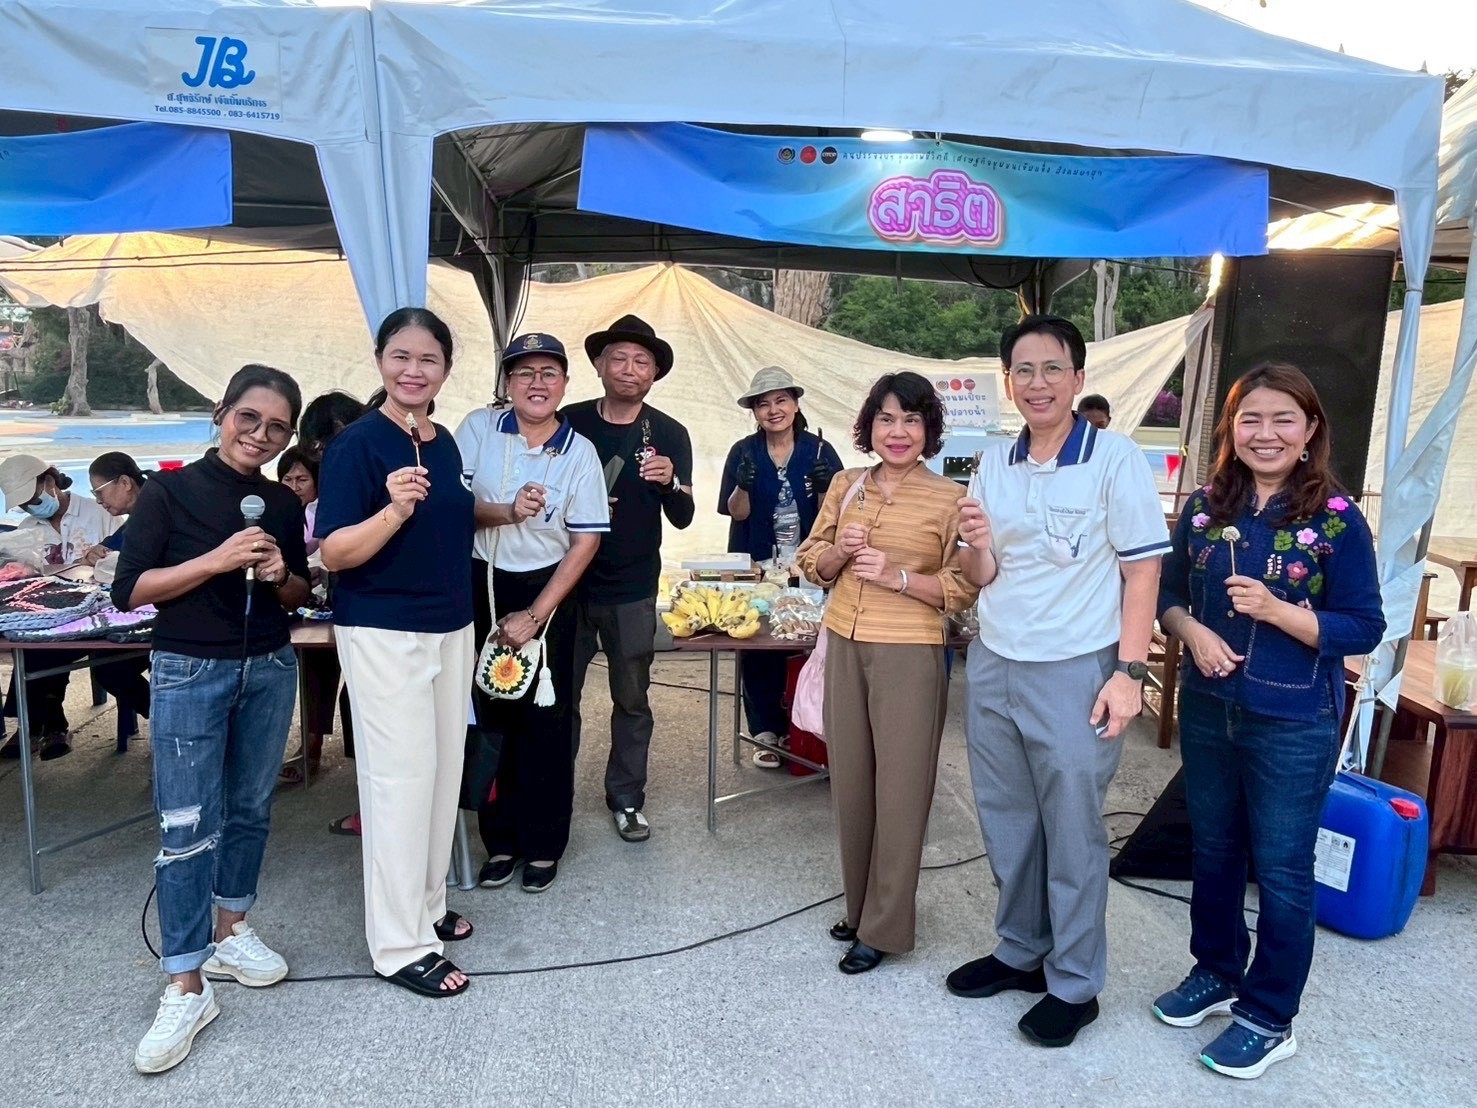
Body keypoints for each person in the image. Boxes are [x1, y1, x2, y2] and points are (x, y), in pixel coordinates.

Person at [1153, 363, 1383, 1079]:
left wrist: (1278, 610)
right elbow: (1164, 594)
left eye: (1283, 418)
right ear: (1231, 429)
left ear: (1310, 429)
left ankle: (1269, 1014)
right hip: (1210, 707)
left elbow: (1364, 626)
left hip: (1292, 717)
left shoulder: (1336, 521)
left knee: (1281, 870)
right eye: (1250, 418)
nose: (1265, 433)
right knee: (1213, 850)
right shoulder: (1201, 508)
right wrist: (1189, 631)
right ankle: (1215, 971)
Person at [951, 315, 1169, 1049]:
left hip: (1076, 668)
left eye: (1050, 369)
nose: (1036, 383)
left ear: (1076, 379)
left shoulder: (1113, 459)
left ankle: (1074, 982)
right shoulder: (992, 464)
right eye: (1021, 370)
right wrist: (975, 547)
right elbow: (980, 575)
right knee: (1007, 820)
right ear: (1006, 382)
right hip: (994, 661)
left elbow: (1142, 572)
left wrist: (1128, 674)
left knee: (1072, 830)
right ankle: (1019, 950)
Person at [112, 364, 310, 1073]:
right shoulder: (168, 490)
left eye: (277, 427)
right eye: (248, 418)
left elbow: (297, 594)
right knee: (186, 824)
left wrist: (277, 573)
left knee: (252, 808)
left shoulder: (280, 504)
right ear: (221, 412)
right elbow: (131, 588)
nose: (260, 435)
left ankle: (231, 932)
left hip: (270, 667)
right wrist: (216, 559)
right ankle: (185, 982)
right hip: (190, 669)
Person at [795, 371, 979, 976]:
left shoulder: (951, 499)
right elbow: (811, 563)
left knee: (900, 792)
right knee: (850, 785)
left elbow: (964, 587)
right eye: (886, 419)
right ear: (869, 425)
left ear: (929, 431)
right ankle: (859, 907)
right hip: (845, 641)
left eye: (911, 420)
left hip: (910, 652)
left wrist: (898, 577)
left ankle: (887, 925)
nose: (897, 432)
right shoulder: (847, 485)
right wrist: (842, 554)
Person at [316, 308, 477, 998]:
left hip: (451, 624)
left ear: (446, 368)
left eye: (429, 360)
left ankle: (428, 906)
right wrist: (391, 510)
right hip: (383, 629)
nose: (414, 371)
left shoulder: (442, 444)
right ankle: (398, 943)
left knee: (442, 773)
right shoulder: (357, 445)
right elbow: (332, 552)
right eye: (401, 356)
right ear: (380, 359)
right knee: (398, 782)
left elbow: (457, 522)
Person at [455, 332, 608, 892]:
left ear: (565, 385)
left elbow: (585, 541)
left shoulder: (579, 451)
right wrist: (506, 512)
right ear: (508, 384)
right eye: (525, 373)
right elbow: (455, 509)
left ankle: (544, 844)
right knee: (493, 714)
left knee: (546, 720)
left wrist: (536, 616)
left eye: (549, 373)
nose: (537, 383)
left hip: (548, 592)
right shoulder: (478, 429)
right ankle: (501, 841)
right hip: (483, 583)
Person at [564, 314, 694, 842]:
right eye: (618, 358)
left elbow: (684, 515)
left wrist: (671, 483)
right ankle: (553, 793)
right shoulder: (568, 422)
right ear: (598, 365)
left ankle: (626, 797)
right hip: (566, 585)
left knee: (633, 699)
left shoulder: (668, 433)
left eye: (642, 361)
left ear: (655, 373)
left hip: (634, 589)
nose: (629, 369)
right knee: (557, 697)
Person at [718, 366, 842, 767]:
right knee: (757, 645)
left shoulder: (821, 451)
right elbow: (737, 513)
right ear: (754, 411)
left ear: (795, 404)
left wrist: (824, 485)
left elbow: (833, 518)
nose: (773, 410)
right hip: (757, 563)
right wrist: (743, 484)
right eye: (763, 403)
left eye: (781, 400)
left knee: (809, 643)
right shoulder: (743, 451)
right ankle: (764, 731)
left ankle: (806, 726)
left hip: (807, 564)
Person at [0, 453, 123, 759]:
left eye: (33, 499)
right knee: (32, 642)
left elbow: (124, 558)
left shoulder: (100, 510)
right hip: (55, 612)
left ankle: (40, 726)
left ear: (51, 482)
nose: (31, 508)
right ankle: (43, 725)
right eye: (25, 505)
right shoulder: (28, 528)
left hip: (100, 612)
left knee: (45, 649)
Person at [298, 391, 366, 829]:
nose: (324, 458)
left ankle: (377, 808)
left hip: (380, 608)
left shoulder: (366, 466)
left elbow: (336, 550)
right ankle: (370, 800)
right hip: (354, 601)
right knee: (354, 698)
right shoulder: (343, 472)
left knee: (366, 704)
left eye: (324, 447)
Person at [83, 450, 149, 563]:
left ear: (125, 482)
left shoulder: (158, 513)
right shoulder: (140, 515)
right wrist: (94, 554)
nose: (98, 501)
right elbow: (109, 547)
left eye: (99, 492)